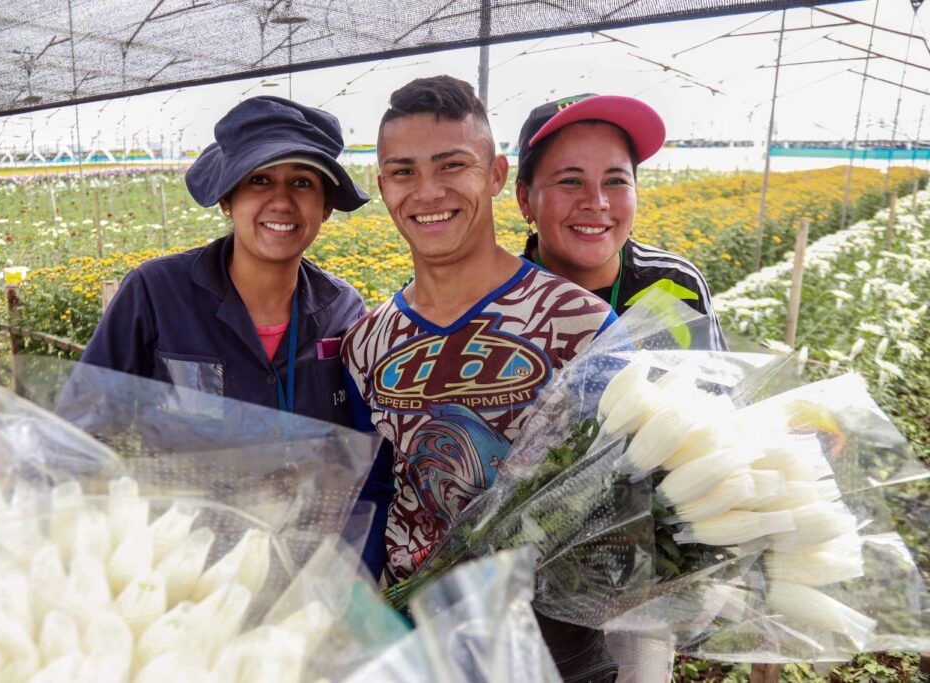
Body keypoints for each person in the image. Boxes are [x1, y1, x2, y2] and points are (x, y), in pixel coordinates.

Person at [341, 75, 619, 682]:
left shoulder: (582, 324)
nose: (428, 191)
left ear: (495, 175)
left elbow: (627, 500)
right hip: (419, 646)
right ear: (382, 184)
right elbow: (372, 497)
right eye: (403, 171)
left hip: (555, 645)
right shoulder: (367, 342)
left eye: (452, 165)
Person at [78, 96, 392, 577]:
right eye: (259, 179)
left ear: (325, 207)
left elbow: (363, 456)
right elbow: (83, 422)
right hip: (183, 561)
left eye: (302, 183)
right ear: (227, 198)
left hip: (304, 565)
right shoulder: (158, 293)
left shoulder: (342, 310)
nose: (282, 201)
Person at [516, 94, 727, 351]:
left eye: (615, 181)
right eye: (570, 180)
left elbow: (714, 389)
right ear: (525, 198)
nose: (597, 202)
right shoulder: (499, 300)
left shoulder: (676, 284)